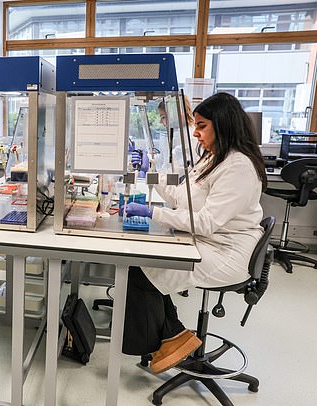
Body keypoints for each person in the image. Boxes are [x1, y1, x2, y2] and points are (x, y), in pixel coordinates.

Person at [123, 92, 268, 374]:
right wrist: (148, 173)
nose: (195, 131)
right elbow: (181, 196)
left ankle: (169, 339)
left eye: (202, 125)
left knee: (142, 272)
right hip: (208, 242)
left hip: (227, 254)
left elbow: (206, 222)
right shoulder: (214, 157)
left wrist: (153, 213)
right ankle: (174, 335)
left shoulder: (238, 166)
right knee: (145, 264)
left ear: (223, 125)